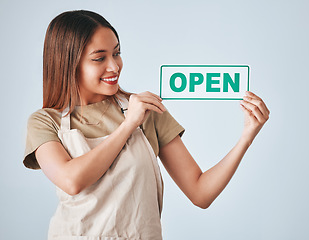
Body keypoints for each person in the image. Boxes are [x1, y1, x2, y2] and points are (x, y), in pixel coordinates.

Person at [24, 10, 270, 240]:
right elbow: (71, 181)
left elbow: (200, 193)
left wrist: (246, 136)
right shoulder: (45, 121)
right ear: (68, 64)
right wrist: (128, 125)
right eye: (99, 58)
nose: (114, 66)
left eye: (117, 53)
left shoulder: (148, 112)